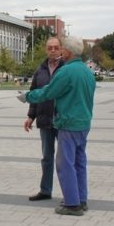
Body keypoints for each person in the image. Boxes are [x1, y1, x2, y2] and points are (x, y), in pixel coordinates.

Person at [16, 35, 96, 216]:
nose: (58, 52)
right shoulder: (87, 71)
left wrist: (27, 96)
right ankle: (81, 199)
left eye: (60, 49)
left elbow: (49, 92)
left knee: (64, 163)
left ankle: (72, 203)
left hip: (69, 123)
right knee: (79, 162)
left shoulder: (66, 72)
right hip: (83, 123)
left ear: (66, 52)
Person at [24, 37, 63, 202]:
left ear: (61, 49)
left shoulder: (66, 69)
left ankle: (69, 193)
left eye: (56, 47)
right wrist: (30, 116)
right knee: (47, 157)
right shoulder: (40, 70)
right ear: (46, 50)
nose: (53, 50)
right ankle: (45, 190)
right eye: (50, 48)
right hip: (45, 120)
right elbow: (34, 94)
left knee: (64, 159)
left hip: (63, 121)